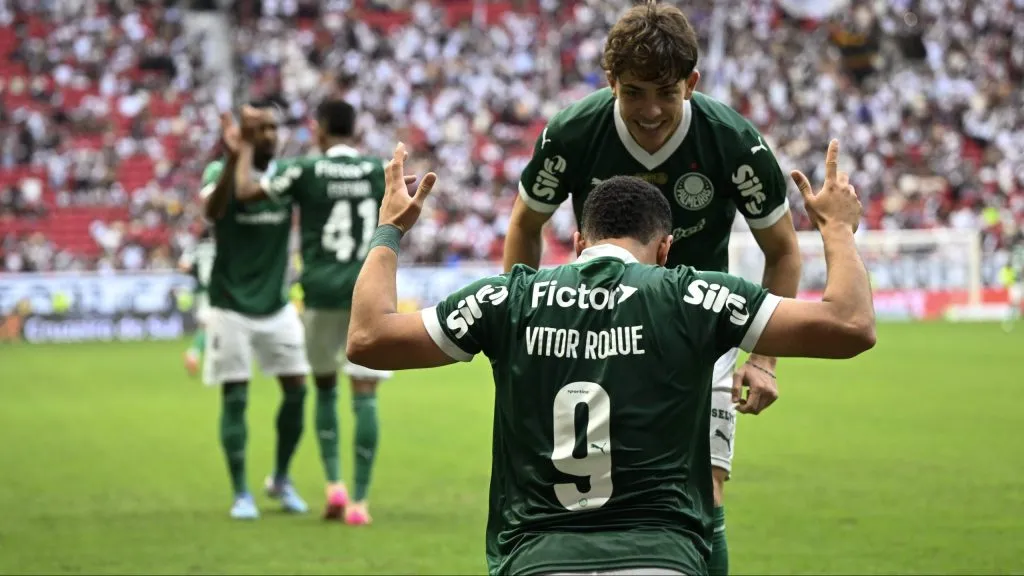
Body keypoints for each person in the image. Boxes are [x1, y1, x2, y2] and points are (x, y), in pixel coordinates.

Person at [345, 140, 874, 576]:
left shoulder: (508, 297)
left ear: (577, 242)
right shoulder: (694, 297)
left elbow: (368, 338)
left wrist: (390, 229)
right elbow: (850, 326)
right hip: (661, 557)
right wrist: (837, 229)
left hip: (536, 558)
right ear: (666, 249)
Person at [503, 3, 803, 571]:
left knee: (704, 493)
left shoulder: (734, 143)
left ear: (692, 82)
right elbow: (524, 224)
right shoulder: (572, 132)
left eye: (666, 91)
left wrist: (763, 358)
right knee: (591, 493)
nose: (650, 110)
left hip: (697, 335)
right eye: (634, 91)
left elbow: (783, 251)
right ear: (610, 81)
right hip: (594, 331)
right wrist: (525, 325)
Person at [231, 98, 395, 525]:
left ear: (320, 131)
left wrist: (245, 146)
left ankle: (334, 486)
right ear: (355, 131)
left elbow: (247, 192)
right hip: (368, 293)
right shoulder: (379, 170)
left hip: (321, 294)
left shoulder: (303, 170)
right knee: (365, 394)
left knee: (323, 388)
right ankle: (360, 502)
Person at [200, 104, 311, 520]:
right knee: (236, 397)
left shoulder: (285, 176)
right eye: (258, 128)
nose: (269, 134)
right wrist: (233, 158)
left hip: (276, 304)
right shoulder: (217, 172)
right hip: (230, 305)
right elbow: (212, 213)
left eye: (272, 127)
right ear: (244, 134)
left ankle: (281, 478)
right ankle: (240, 492)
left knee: (298, 390)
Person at [179, 227, 215, 378]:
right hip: (218, 292)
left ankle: (195, 354)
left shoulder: (194, 248)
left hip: (203, 293)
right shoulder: (220, 247)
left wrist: (195, 272)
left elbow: (183, 266)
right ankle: (194, 354)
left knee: (207, 326)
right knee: (211, 327)